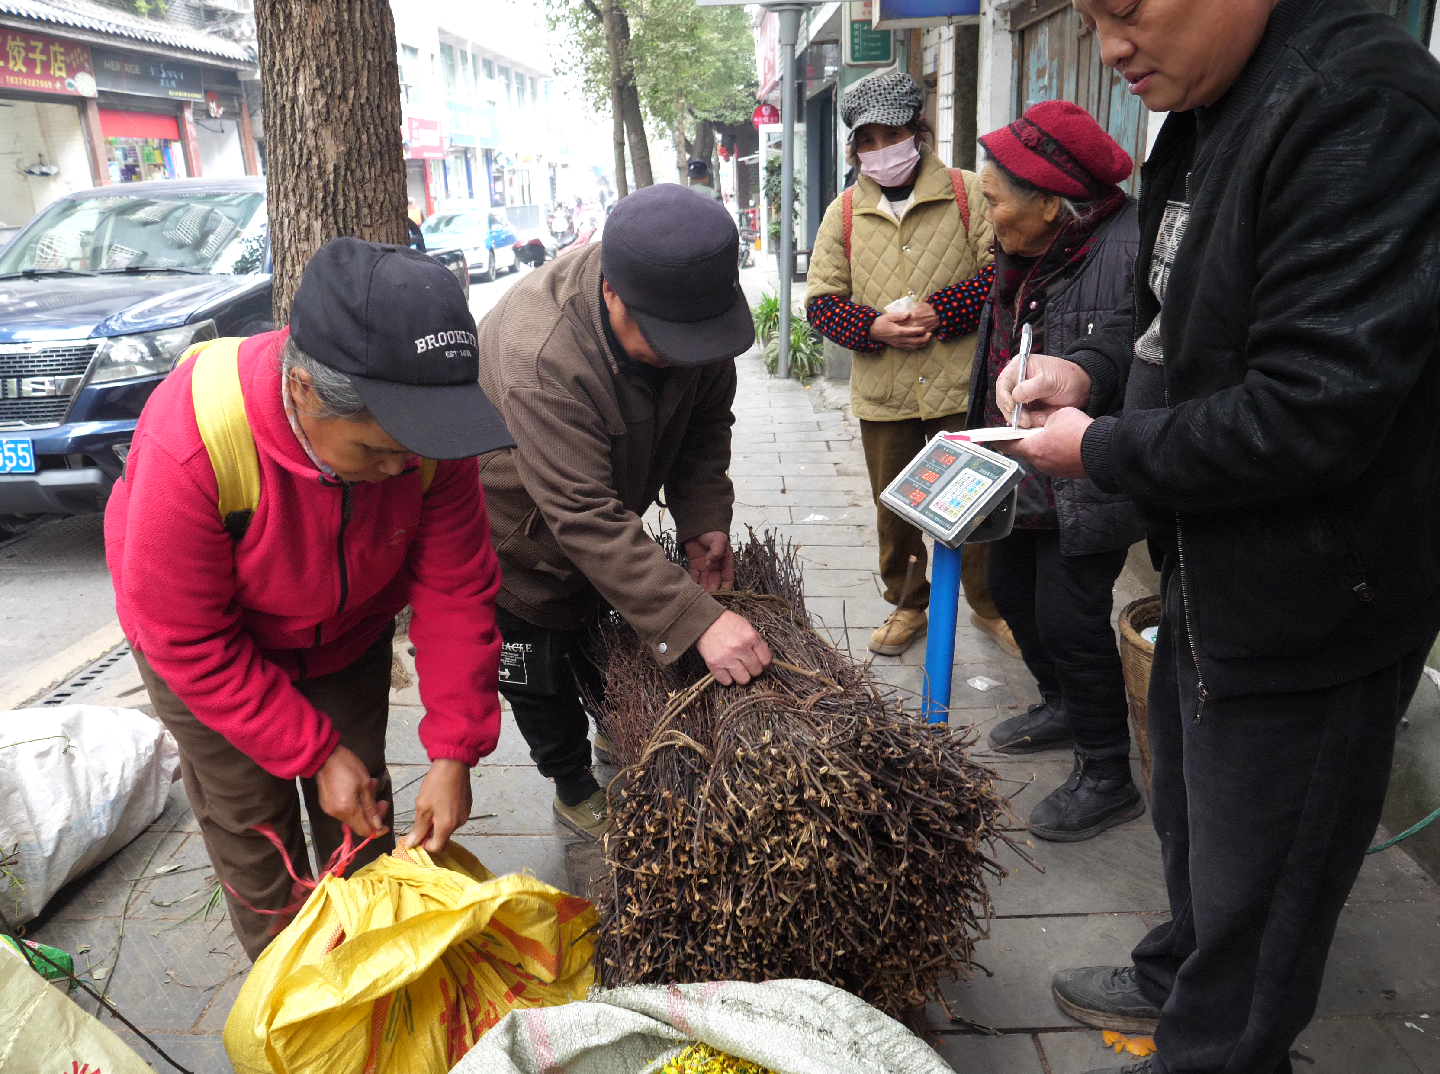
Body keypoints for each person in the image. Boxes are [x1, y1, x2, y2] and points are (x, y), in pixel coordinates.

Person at [992, 1, 1440, 1071]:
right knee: (1195, 823)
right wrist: (1089, 374)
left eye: (1129, 10)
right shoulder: (1205, 109)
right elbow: (1172, 324)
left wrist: (1097, 452)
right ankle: (1178, 972)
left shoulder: (1359, 112)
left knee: (1266, 882)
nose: (1110, 49)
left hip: (1317, 600)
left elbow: (1308, 411)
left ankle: (1220, 1039)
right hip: (1210, 559)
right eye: (1093, 17)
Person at [105, 238, 513, 961]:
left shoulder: (423, 448)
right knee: (257, 832)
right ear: (302, 390)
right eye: (376, 452)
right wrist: (314, 751)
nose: (401, 469)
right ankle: (295, 997)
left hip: (345, 634)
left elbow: (456, 589)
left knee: (363, 821)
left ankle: (377, 978)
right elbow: (189, 640)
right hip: (205, 650)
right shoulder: (192, 442)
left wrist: (455, 752)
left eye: (413, 454)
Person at [475, 184, 771, 840]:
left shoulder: (696, 305)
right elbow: (580, 513)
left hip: (602, 522)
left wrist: (703, 519)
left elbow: (703, 422)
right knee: (540, 674)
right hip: (521, 541)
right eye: (663, 340)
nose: (681, 355)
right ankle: (572, 784)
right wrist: (698, 622)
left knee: (601, 645)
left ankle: (614, 727)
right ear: (611, 290)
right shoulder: (540, 353)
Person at [969, 102, 1145, 842]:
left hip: (1090, 472)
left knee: (1073, 619)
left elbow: (1139, 361)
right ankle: (1061, 704)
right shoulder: (1033, 247)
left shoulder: (1127, 249)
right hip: (1022, 465)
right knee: (1010, 588)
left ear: (1048, 201)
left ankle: (1108, 773)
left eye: (996, 202)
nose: (988, 219)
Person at [806, 69, 1016, 659]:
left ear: (917, 133)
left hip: (960, 386)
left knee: (975, 503)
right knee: (894, 506)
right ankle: (908, 604)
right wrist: (870, 326)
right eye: (865, 141)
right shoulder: (844, 213)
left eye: (889, 136)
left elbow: (999, 273)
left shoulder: (968, 192)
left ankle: (988, 605)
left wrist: (938, 313)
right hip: (886, 395)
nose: (879, 151)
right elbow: (821, 302)